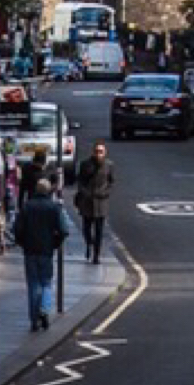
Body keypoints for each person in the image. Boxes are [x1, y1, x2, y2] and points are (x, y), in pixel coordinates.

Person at [15, 177, 71, 332]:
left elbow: (17, 230)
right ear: (48, 191)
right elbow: (64, 230)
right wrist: (55, 244)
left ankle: (34, 319)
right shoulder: (53, 208)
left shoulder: (27, 207)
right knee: (46, 283)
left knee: (33, 284)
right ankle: (44, 310)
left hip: (30, 251)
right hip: (46, 251)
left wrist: (23, 244)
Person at [75, 141, 115, 262]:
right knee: (86, 229)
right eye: (97, 151)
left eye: (101, 152)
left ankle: (96, 256)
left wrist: (106, 192)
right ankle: (89, 243)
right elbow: (80, 180)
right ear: (93, 152)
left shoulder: (109, 165)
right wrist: (84, 192)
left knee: (99, 230)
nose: (99, 154)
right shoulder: (85, 164)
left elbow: (111, 181)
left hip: (100, 202)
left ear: (105, 153)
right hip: (87, 202)